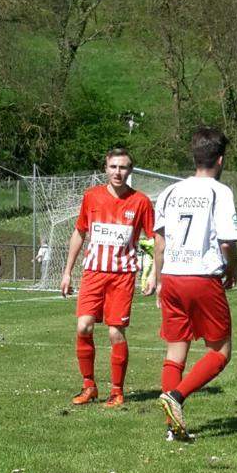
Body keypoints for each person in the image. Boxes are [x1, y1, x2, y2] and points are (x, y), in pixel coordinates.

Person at [153, 127, 237, 441]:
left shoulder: (169, 192)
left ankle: (172, 427)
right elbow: (228, 243)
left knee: (176, 351)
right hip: (202, 277)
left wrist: (156, 277)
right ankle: (176, 397)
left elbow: (159, 241)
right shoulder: (220, 192)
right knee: (220, 351)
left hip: (173, 277)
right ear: (220, 160)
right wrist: (233, 269)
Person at [60, 146, 155, 409]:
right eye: (113, 166)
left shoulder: (141, 202)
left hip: (122, 276)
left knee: (115, 332)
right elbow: (79, 232)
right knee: (83, 327)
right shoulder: (91, 197)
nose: (117, 172)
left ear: (130, 170)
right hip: (92, 273)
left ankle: (117, 391)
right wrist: (67, 271)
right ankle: (89, 386)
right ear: (106, 168)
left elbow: (153, 238)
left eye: (123, 167)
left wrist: (152, 274)